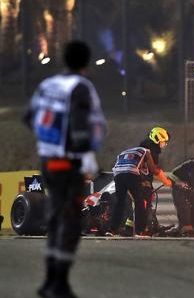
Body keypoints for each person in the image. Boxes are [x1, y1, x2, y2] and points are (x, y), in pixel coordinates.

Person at [23, 40, 107, 298]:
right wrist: (86, 155)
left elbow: (29, 117)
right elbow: (80, 125)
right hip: (69, 162)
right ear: (86, 62)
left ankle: (50, 279)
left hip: (48, 161)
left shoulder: (47, 85)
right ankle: (59, 283)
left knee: (56, 217)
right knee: (70, 222)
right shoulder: (80, 87)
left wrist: (48, 141)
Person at [107, 144, 172, 237]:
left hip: (118, 175)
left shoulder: (125, 152)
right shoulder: (146, 151)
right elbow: (153, 169)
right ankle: (140, 231)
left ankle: (112, 230)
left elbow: (129, 168)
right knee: (140, 203)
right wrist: (166, 181)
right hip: (131, 174)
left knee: (119, 203)